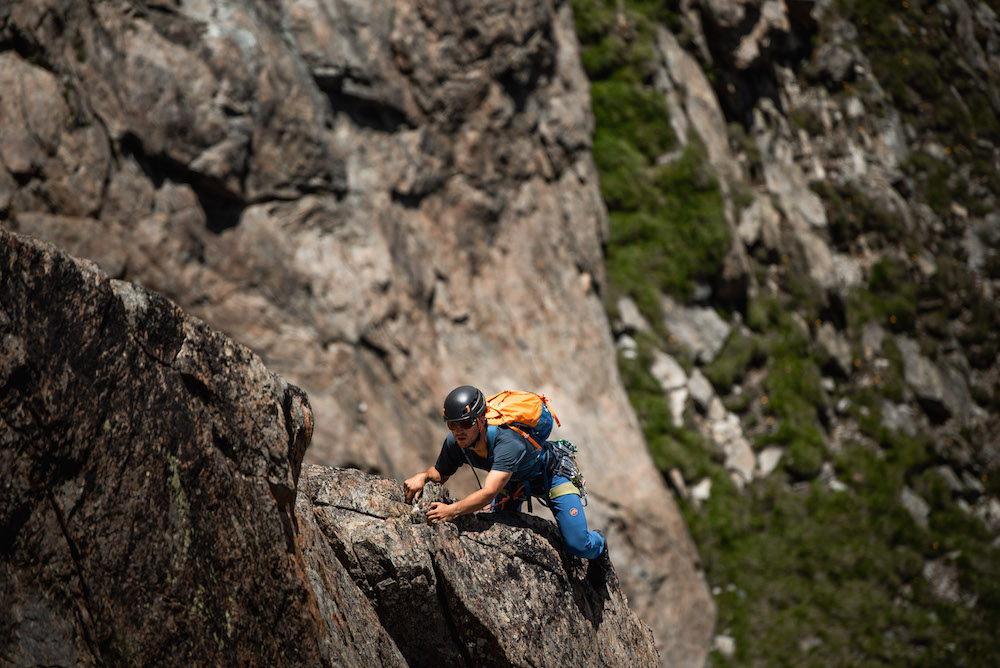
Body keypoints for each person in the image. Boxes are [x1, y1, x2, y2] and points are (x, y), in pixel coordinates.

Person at [404, 385, 606, 560]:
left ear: (482, 420)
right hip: (512, 484)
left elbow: (489, 492)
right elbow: (441, 472)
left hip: (551, 475)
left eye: (466, 423)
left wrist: (451, 510)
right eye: (452, 424)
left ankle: (600, 545)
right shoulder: (456, 443)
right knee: (498, 527)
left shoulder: (507, 443)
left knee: (578, 545)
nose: (459, 431)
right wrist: (423, 476)